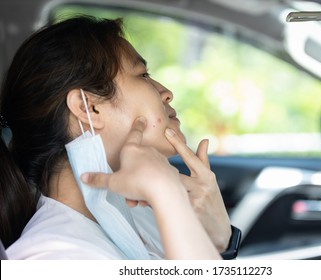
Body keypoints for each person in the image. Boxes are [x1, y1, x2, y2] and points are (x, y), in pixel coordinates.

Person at [0, 16, 237, 259]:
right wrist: (167, 195)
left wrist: (220, 240)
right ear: (87, 108)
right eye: (143, 75)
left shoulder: (138, 215)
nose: (167, 93)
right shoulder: (52, 258)